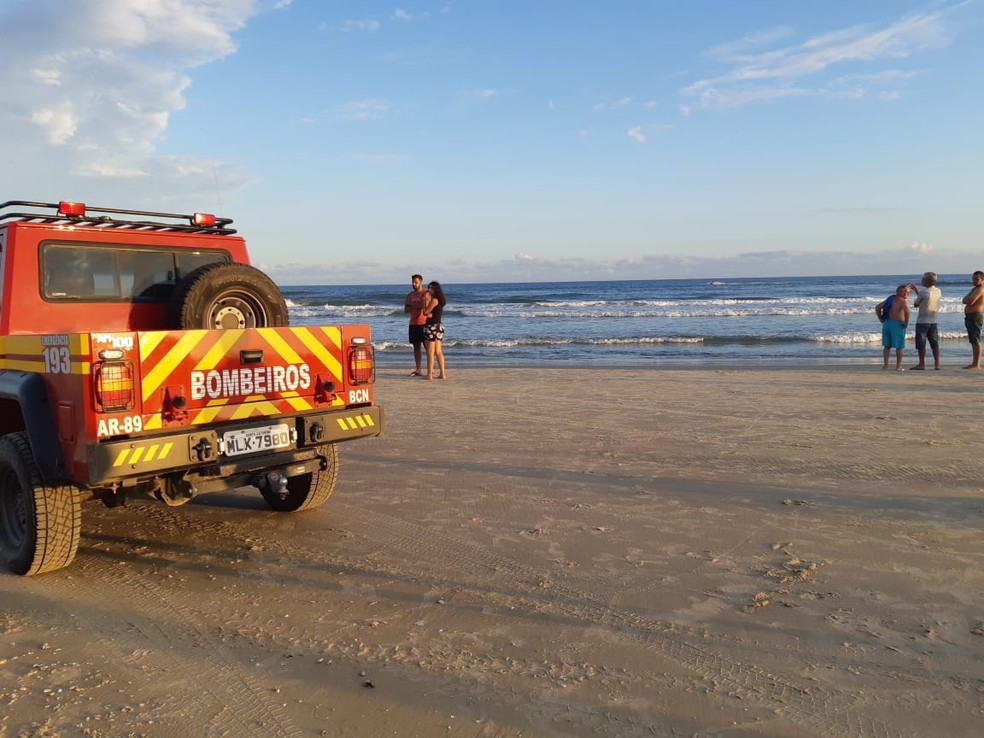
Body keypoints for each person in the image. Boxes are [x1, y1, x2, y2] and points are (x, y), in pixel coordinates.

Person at [907, 272, 942, 370]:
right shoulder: (938, 291)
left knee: (921, 343)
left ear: (927, 281)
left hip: (923, 320)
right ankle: (937, 364)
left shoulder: (923, 292)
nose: (922, 280)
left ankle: (921, 364)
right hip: (934, 320)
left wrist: (915, 290)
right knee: (934, 343)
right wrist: (917, 290)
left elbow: (916, 304)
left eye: (923, 279)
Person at [876, 284, 910, 371]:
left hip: (887, 323)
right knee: (899, 346)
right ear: (901, 292)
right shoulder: (903, 301)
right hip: (897, 324)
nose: (908, 295)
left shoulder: (890, 299)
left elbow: (878, 307)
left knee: (887, 346)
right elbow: (907, 312)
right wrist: (906, 323)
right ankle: (898, 366)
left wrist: (880, 318)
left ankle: (886, 365)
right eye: (907, 293)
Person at [404, 274, 429, 376]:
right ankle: (418, 369)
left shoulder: (425, 293)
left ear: (421, 282)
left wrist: (413, 306)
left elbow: (424, 307)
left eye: (416, 282)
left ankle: (430, 369)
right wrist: (416, 306)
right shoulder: (410, 295)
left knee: (428, 347)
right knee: (416, 347)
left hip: (424, 322)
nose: (414, 284)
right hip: (413, 323)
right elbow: (406, 309)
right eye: (413, 282)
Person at [422, 280, 447, 380]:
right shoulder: (440, 300)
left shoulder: (434, 300)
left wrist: (424, 301)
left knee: (430, 352)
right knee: (438, 351)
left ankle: (429, 374)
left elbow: (425, 312)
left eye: (430, 288)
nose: (428, 290)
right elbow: (431, 313)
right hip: (439, 326)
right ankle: (442, 373)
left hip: (432, 327)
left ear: (434, 289)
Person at [961, 270, 984, 370]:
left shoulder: (980, 289)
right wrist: (968, 299)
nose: (974, 281)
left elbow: (970, 301)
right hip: (970, 316)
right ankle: (974, 363)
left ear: (982, 280)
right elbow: (963, 300)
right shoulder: (974, 289)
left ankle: (976, 364)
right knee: (973, 340)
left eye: (976, 279)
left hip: (975, 316)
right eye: (973, 279)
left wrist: (968, 299)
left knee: (976, 340)